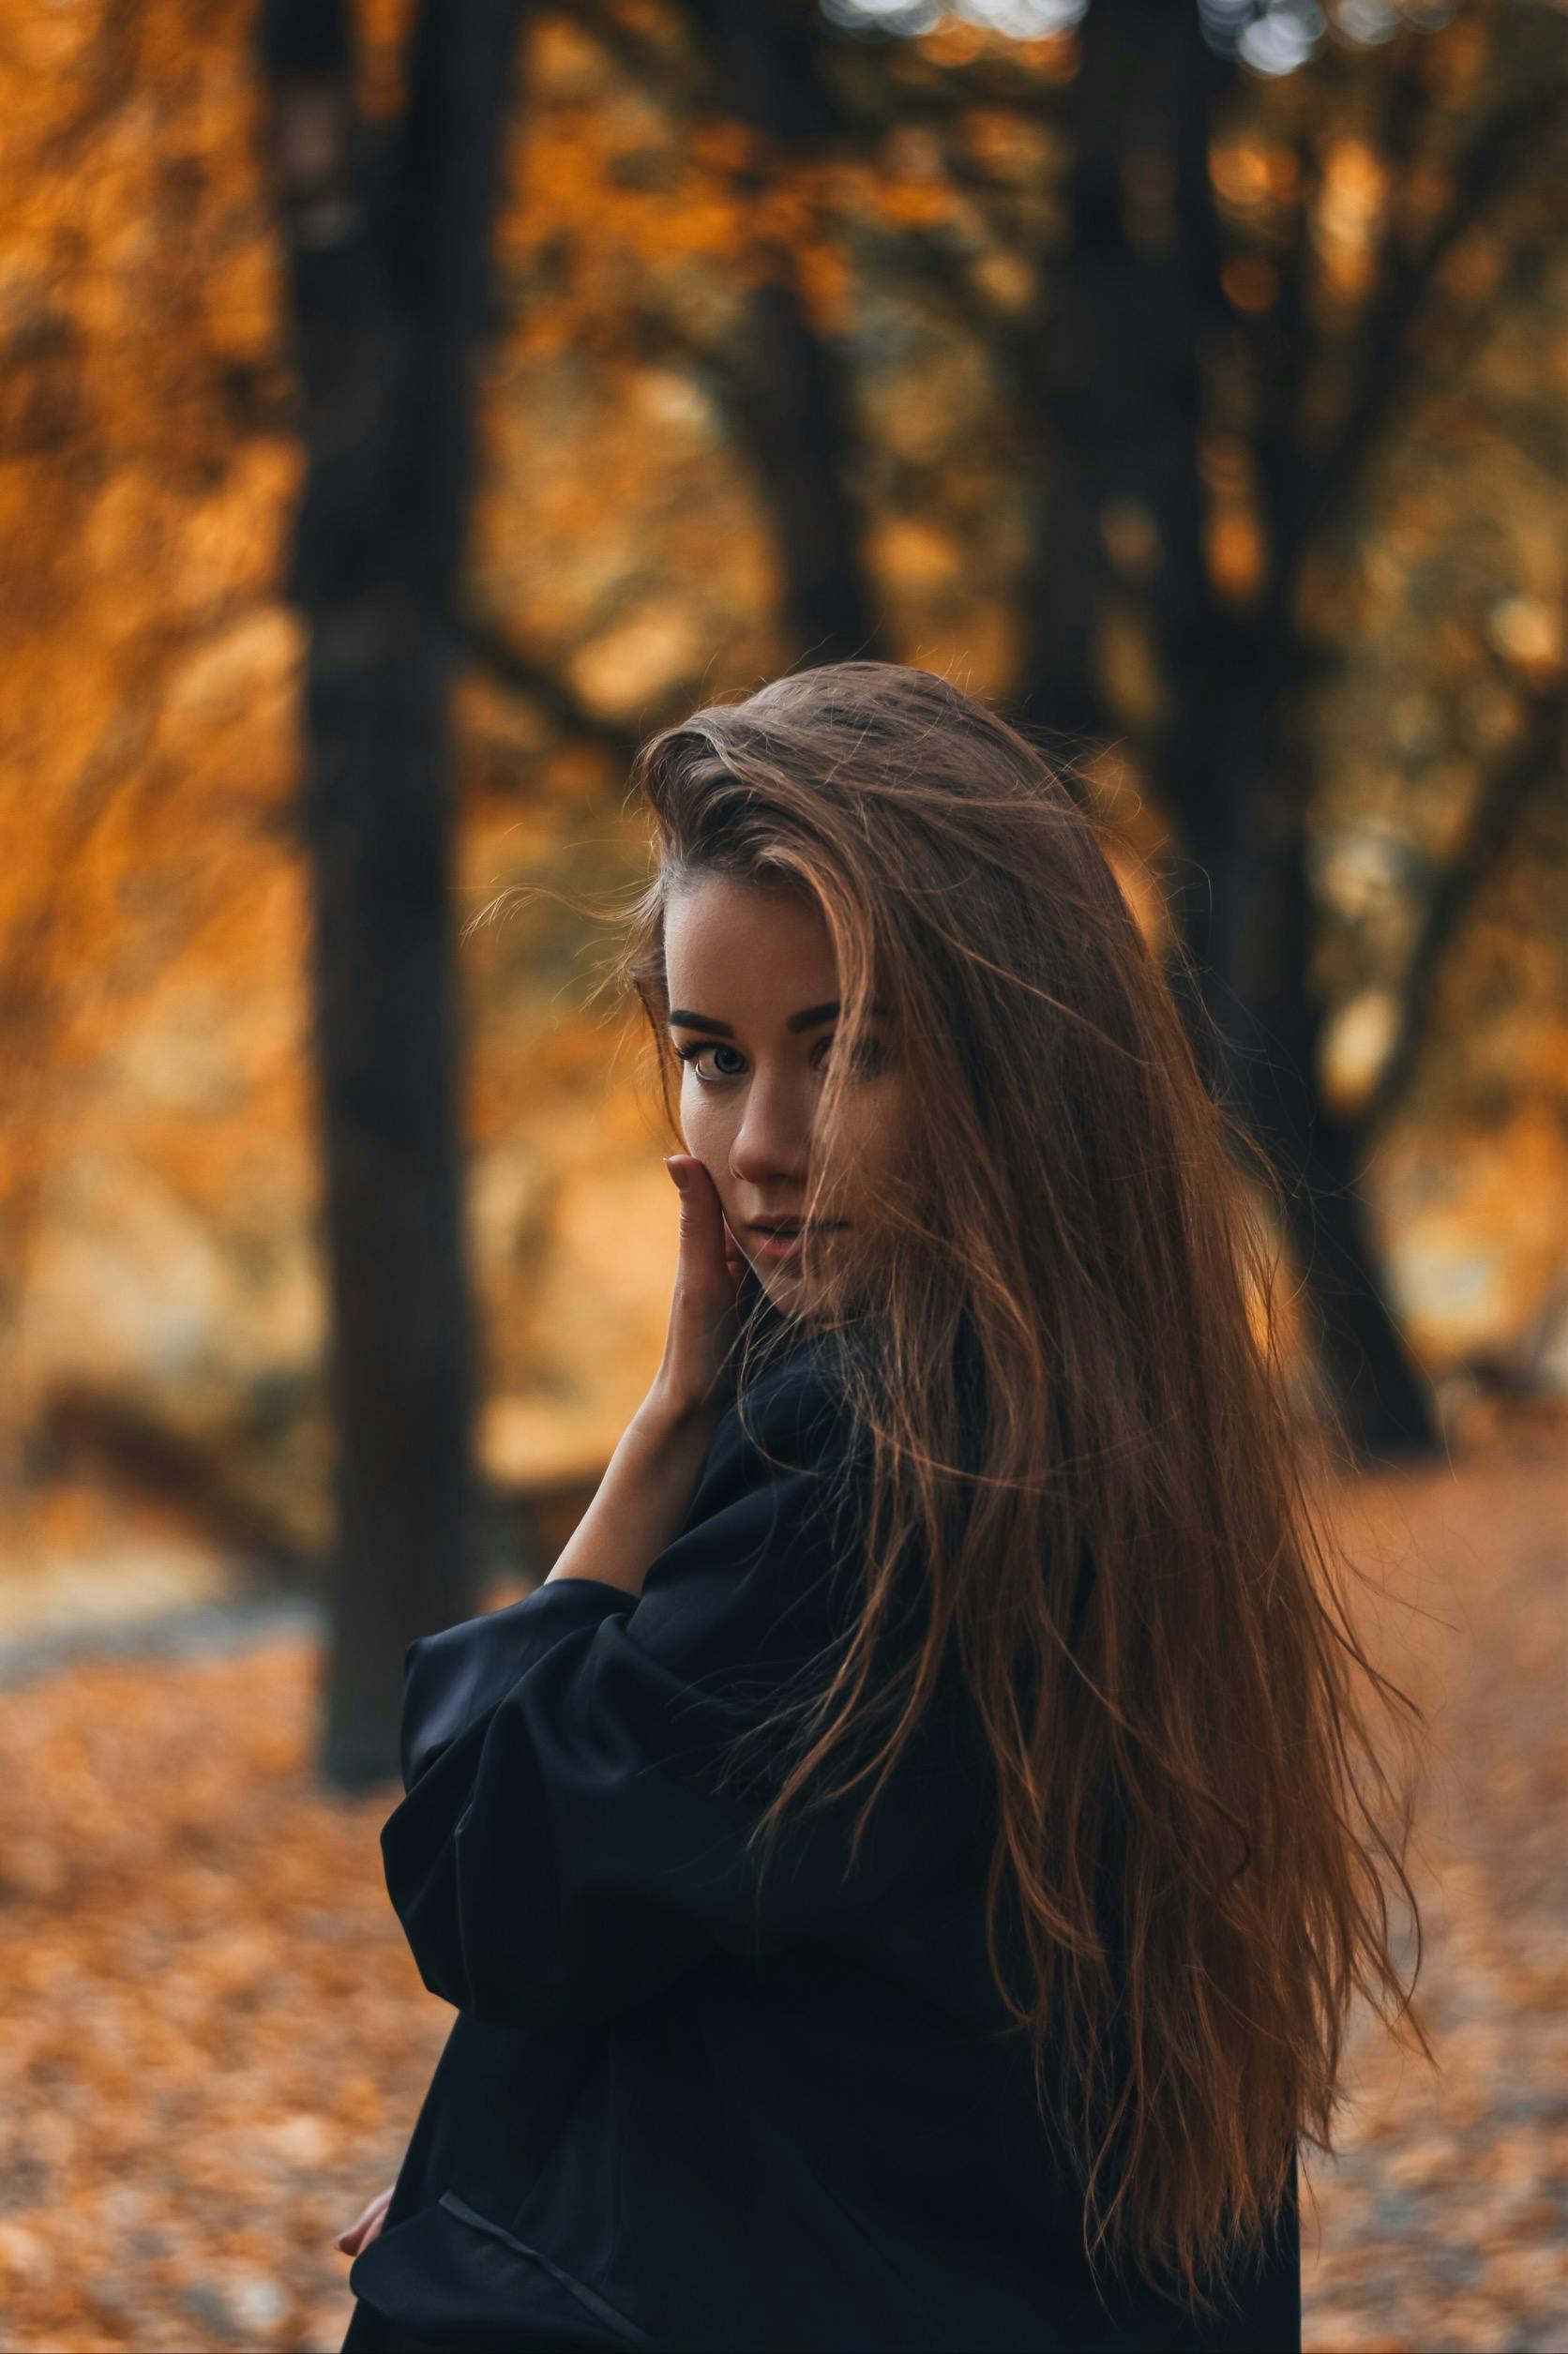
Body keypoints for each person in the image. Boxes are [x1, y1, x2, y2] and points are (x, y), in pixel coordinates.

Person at [336, 662, 1428, 2353]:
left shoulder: (866, 1471)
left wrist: (667, 1418)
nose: (762, 1143)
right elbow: (832, 1981)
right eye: (712, 1058)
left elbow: (488, 1871)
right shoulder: (1112, 1422)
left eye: (845, 1051)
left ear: (1008, 1062)